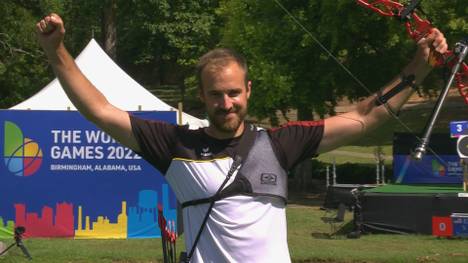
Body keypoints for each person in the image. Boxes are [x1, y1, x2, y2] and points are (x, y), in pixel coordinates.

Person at [36, 13, 447, 263]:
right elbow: (100, 110)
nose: (226, 102)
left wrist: (420, 65)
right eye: (215, 94)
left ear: (248, 89)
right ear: (202, 96)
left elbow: (363, 115)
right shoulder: (175, 145)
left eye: (234, 92)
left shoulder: (280, 143)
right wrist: (56, 50)